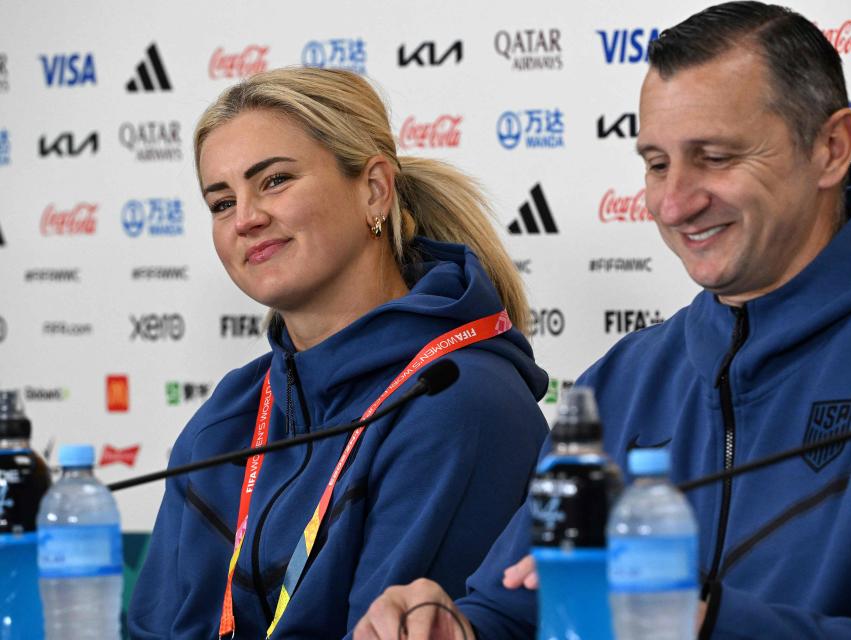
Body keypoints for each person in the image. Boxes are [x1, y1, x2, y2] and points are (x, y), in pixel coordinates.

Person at [355, 2, 851, 638]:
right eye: (657, 163)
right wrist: (456, 628)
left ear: (830, 148)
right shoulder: (622, 379)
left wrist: (706, 625)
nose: (674, 203)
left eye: (716, 157)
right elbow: (523, 602)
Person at [127, 67, 550, 639]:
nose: (246, 218)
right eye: (222, 202)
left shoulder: (458, 400)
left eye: (273, 181)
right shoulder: (234, 411)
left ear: (374, 188)